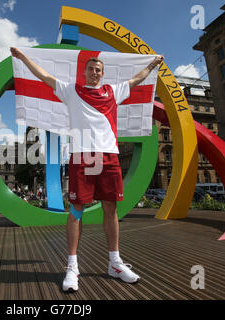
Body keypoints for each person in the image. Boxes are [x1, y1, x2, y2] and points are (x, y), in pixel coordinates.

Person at [10, 47, 163, 292]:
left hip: (109, 155)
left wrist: (153, 64)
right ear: (85, 72)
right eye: (91, 69)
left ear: (103, 74)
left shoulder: (114, 91)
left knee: (110, 208)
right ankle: (72, 267)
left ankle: (114, 263)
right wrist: (23, 57)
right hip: (82, 155)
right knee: (77, 209)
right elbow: (44, 76)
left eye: (98, 70)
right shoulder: (71, 90)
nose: (94, 72)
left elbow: (137, 79)